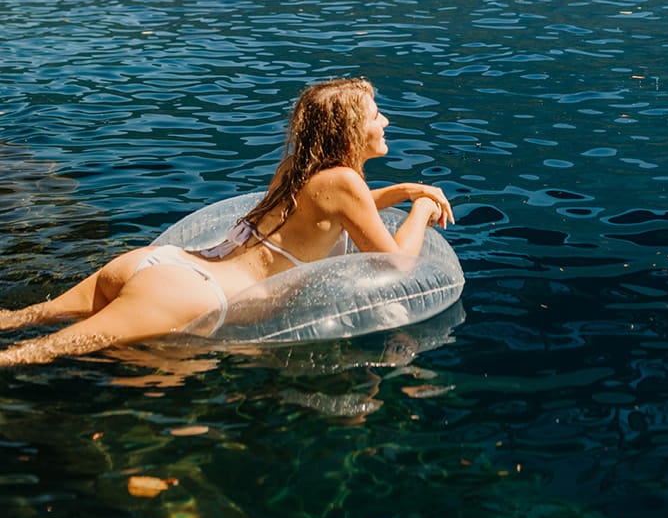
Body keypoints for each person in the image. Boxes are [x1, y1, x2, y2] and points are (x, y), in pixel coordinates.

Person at [0, 77, 454, 367]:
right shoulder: (344, 185)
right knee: (31, 356)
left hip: (162, 263)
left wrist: (405, 190)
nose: (387, 121)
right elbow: (396, 265)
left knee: (19, 321)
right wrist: (421, 210)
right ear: (353, 132)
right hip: (189, 297)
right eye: (377, 116)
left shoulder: (298, 170)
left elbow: (338, 210)